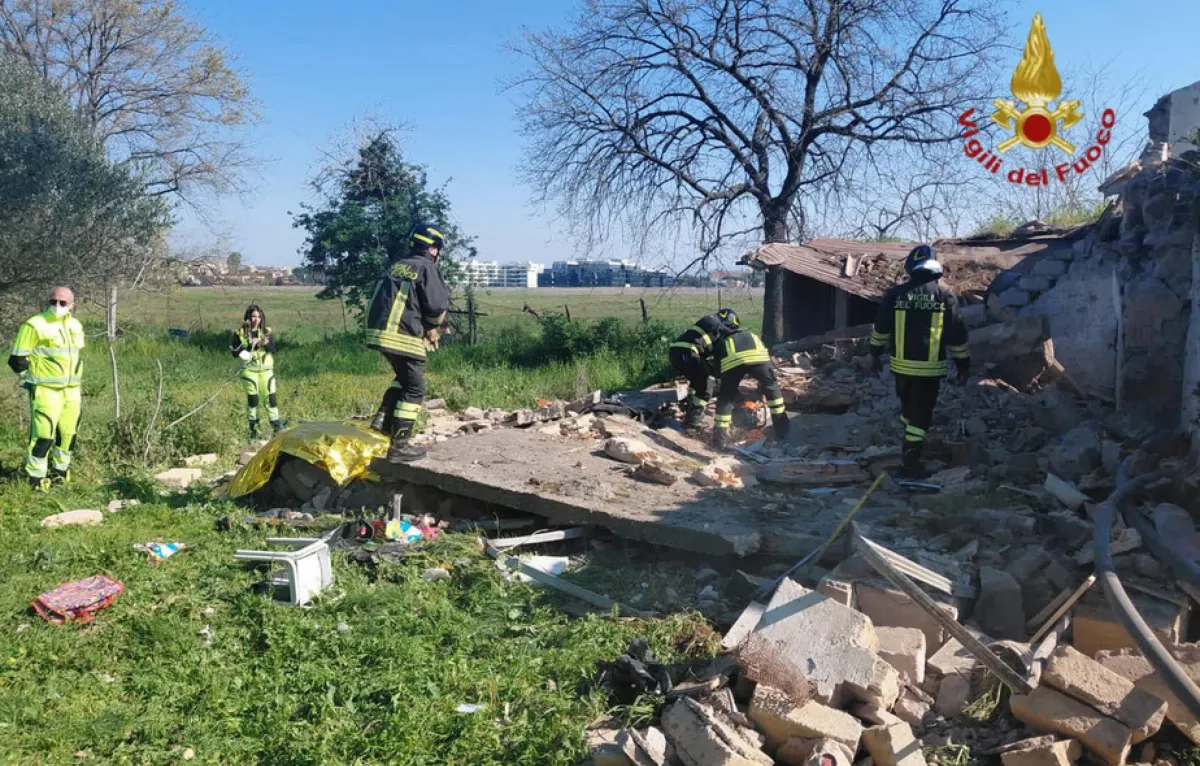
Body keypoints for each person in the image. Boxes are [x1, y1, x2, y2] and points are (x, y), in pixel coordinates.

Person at [869, 244, 971, 479]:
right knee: (921, 414)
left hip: (900, 367)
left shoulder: (896, 295)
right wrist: (963, 364)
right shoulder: (944, 296)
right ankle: (911, 463)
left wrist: (874, 355)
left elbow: (880, 328)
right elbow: (957, 334)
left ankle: (910, 439)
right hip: (930, 369)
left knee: (908, 409)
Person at [365, 223, 450, 463]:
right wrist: (433, 327)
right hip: (403, 335)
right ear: (432, 248)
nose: (438, 254)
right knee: (415, 388)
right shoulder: (426, 268)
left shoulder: (397, 265)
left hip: (379, 333)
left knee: (403, 378)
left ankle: (382, 420)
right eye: (438, 249)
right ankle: (400, 445)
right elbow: (436, 306)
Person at [8, 286, 85, 491]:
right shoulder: (35, 324)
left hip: (72, 390)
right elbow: (17, 360)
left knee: (69, 435)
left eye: (62, 303)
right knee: (43, 437)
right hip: (45, 390)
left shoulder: (76, 325)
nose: (57, 306)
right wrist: (30, 381)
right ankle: (36, 481)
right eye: (53, 302)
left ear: (72, 305)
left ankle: (60, 475)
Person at [710, 324, 790, 450]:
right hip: (760, 362)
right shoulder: (753, 335)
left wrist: (725, 386)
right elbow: (765, 358)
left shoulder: (724, 341)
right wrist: (763, 386)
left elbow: (718, 368)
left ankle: (719, 441)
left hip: (734, 363)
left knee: (726, 398)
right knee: (772, 390)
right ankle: (783, 431)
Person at [669, 308, 739, 429]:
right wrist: (726, 330)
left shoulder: (715, 335)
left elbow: (718, 359)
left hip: (683, 354)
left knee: (699, 382)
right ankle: (694, 419)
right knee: (707, 383)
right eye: (731, 327)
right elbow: (710, 322)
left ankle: (690, 408)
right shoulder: (711, 320)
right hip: (686, 352)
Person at [232, 305, 282, 439]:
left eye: (258, 317)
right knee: (253, 400)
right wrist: (249, 346)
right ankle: (253, 430)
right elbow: (235, 352)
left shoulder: (266, 331)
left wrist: (265, 344)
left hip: (266, 371)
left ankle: (277, 427)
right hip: (250, 371)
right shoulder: (240, 333)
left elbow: (273, 349)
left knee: (271, 398)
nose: (256, 319)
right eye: (253, 316)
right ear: (248, 317)